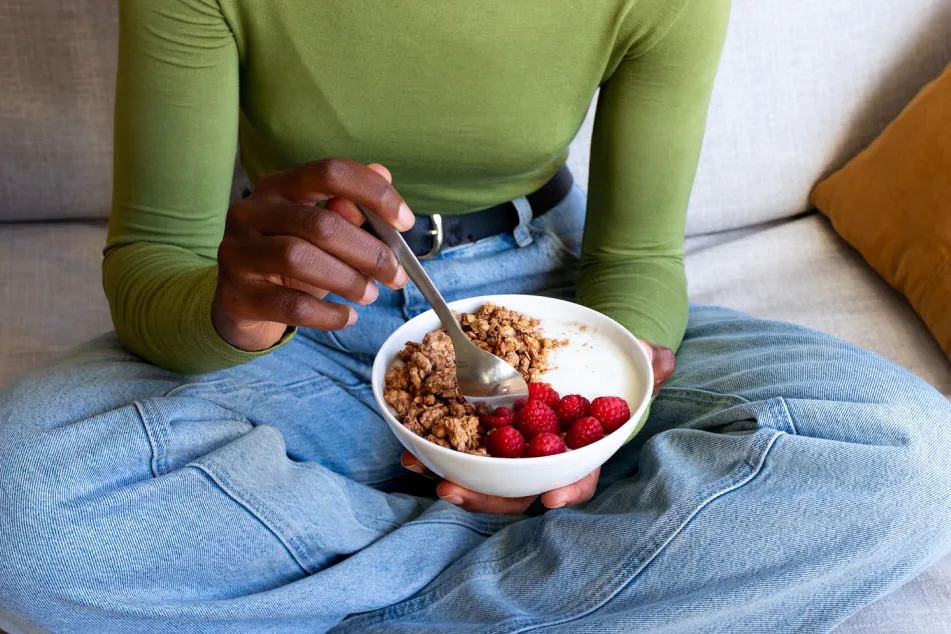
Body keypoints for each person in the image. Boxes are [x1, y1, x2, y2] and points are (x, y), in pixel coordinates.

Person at [1, 0, 950, 632]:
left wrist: (574, 442)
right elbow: (152, 270)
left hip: (545, 297)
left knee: (909, 457)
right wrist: (237, 310)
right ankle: (576, 566)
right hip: (310, 308)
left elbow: (635, 260)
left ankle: (375, 568)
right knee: (25, 515)